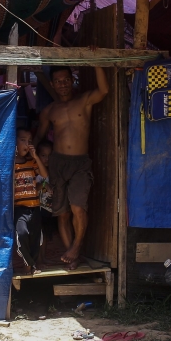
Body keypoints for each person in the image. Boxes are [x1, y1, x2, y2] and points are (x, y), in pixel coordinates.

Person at [35, 66, 108, 270]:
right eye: (58, 81)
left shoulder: (83, 101)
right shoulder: (49, 111)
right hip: (58, 163)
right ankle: (72, 254)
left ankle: (76, 246)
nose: (63, 84)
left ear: (72, 79)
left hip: (80, 163)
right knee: (62, 213)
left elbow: (103, 90)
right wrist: (26, 154)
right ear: (52, 85)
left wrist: (96, 64)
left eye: (66, 80)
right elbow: (39, 136)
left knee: (78, 206)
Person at [14, 128, 48, 275]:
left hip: (35, 207)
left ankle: (29, 266)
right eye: (23, 140)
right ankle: (29, 263)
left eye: (29, 141)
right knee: (21, 234)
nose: (27, 144)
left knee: (35, 238)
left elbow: (44, 175)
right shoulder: (10, 164)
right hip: (19, 208)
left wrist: (36, 157)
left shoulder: (31, 162)